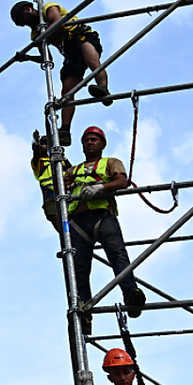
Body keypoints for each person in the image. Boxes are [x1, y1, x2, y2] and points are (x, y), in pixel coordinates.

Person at [65, 126, 145, 322]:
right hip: (78, 222)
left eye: (94, 139)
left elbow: (122, 182)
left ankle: (131, 295)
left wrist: (101, 187)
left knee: (118, 255)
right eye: (86, 140)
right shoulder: (71, 171)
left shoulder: (110, 163)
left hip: (103, 216)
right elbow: (56, 189)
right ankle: (83, 311)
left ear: (102, 144)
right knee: (79, 269)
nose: (90, 142)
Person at [11, 0, 112, 145]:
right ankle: (65, 130)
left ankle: (103, 88)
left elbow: (59, 23)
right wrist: (26, 57)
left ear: (28, 9)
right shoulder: (35, 34)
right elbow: (46, 58)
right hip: (70, 53)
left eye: (23, 19)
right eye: (21, 24)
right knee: (67, 91)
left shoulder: (48, 8)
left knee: (92, 60)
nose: (25, 24)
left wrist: (43, 35)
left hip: (81, 36)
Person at [31, 130, 72, 233]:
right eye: (41, 144)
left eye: (45, 144)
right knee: (54, 216)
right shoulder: (38, 162)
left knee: (73, 218)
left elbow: (72, 171)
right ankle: (65, 237)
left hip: (66, 191)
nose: (42, 146)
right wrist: (36, 143)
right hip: (51, 195)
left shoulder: (59, 160)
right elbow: (36, 154)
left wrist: (64, 157)